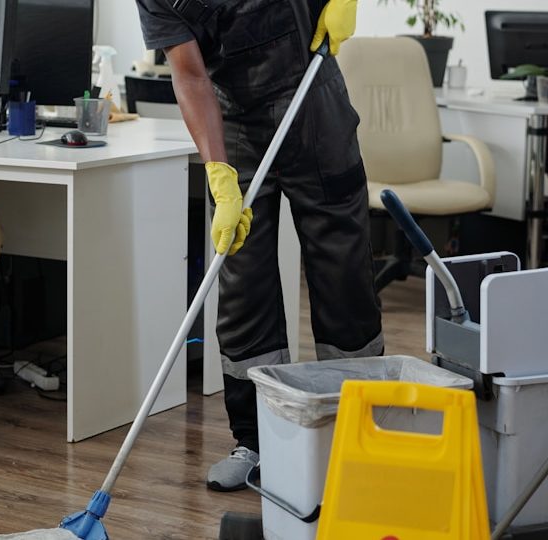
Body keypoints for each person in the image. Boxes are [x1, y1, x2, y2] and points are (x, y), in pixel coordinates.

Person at [135, 0, 383, 491]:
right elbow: (190, 75)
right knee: (243, 285)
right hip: (236, 126)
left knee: (343, 275)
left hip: (314, 103)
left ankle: (358, 429)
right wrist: (217, 172)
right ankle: (258, 439)